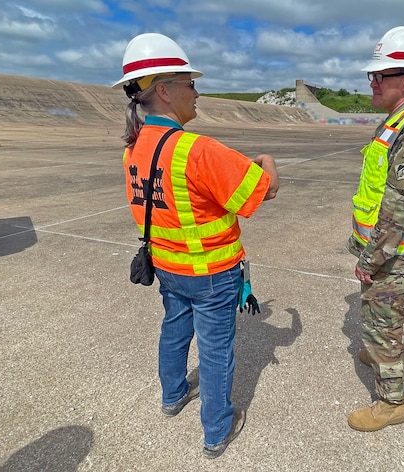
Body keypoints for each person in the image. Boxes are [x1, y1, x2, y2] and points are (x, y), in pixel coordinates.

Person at [112, 33, 279, 458]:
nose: (197, 90)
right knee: (216, 349)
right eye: (189, 83)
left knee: (173, 331)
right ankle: (217, 430)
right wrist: (266, 161)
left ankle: (172, 396)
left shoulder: (132, 149)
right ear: (164, 90)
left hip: (167, 268)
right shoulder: (197, 149)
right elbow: (263, 191)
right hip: (211, 274)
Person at [346, 26, 404, 432]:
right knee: (375, 310)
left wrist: (373, 256)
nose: (373, 83)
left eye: (379, 76)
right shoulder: (394, 122)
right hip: (380, 246)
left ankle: (392, 402)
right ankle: (379, 350)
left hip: (392, 250)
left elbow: (400, 205)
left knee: (385, 320)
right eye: (373, 75)